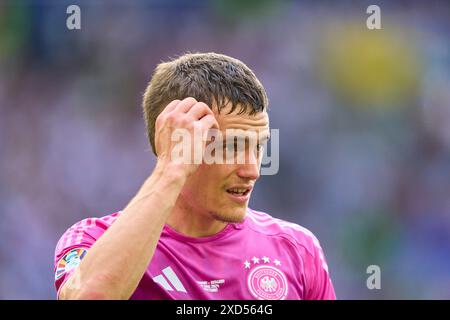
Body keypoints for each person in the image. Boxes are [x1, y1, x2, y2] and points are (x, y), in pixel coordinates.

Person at [54, 52, 336, 300]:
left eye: (259, 146)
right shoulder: (90, 239)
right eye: (230, 147)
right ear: (174, 144)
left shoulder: (296, 249)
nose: (252, 170)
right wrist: (169, 170)